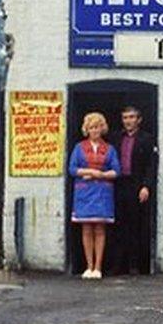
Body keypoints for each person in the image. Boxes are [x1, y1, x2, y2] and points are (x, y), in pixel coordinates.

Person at [69, 112, 120, 280]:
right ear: (87, 129)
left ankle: (98, 267)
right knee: (86, 229)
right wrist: (91, 171)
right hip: (84, 192)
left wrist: (100, 175)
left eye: (97, 127)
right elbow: (72, 169)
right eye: (91, 127)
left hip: (102, 192)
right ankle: (88, 266)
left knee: (99, 229)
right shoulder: (79, 147)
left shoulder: (110, 149)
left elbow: (116, 171)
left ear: (102, 128)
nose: (95, 130)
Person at [109, 104, 156, 275]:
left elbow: (151, 165)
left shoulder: (146, 138)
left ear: (139, 120)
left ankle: (134, 265)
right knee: (117, 225)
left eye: (131, 117)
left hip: (136, 184)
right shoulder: (115, 138)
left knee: (136, 225)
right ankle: (116, 265)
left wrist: (146, 186)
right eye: (125, 118)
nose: (128, 121)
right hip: (119, 183)